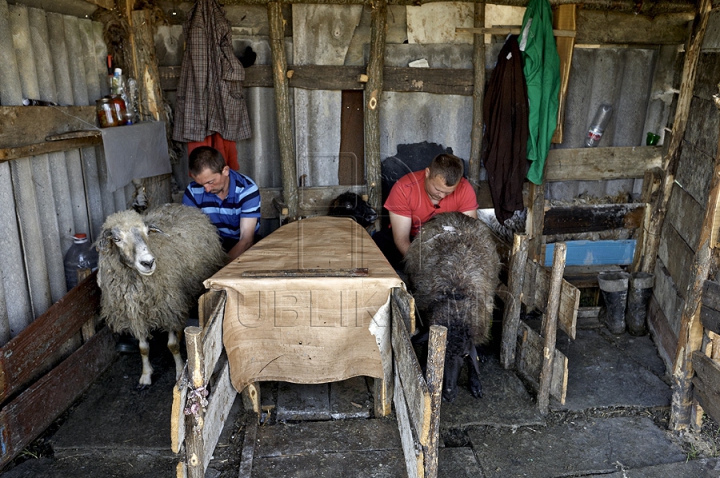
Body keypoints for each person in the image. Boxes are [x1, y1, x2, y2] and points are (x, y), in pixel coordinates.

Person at [373, 153, 478, 269]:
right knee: (379, 244)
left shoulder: (464, 188)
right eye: (437, 189)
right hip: (413, 241)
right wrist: (424, 268)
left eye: (448, 192)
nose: (442, 196)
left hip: (447, 244)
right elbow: (402, 239)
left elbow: (470, 233)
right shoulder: (403, 188)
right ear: (427, 173)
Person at [182, 146, 261, 260]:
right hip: (211, 246)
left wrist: (218, 270)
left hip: (241, 245)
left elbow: (246, 240)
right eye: (201, 184)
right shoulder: (193, 191)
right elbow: (190, 234)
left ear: (225, 171)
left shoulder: (247, 190)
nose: (207, 189)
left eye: (210, 182)